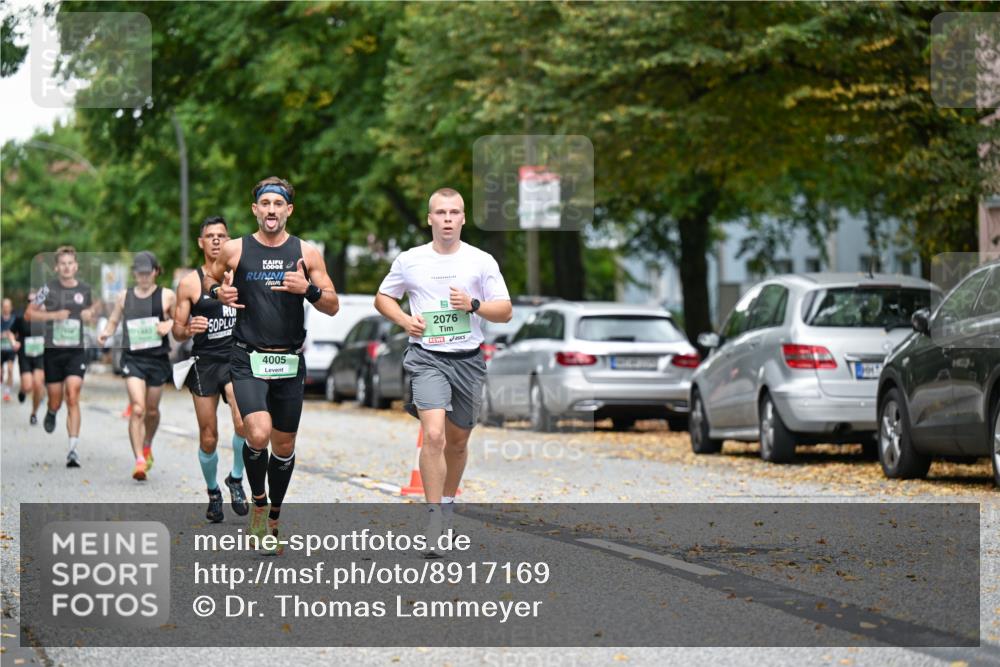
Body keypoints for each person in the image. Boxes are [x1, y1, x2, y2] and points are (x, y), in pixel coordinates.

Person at [204, 176, 339, 553]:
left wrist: (307, 290)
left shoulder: (306, 253)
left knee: (283, 445)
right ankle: (258, 504)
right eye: (265, 204)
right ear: (255, 210)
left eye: (278, 204)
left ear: (288, 210)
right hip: (247, 356)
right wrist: (219, 292)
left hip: (289, 361)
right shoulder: (235, 249)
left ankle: (275, 512)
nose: (271, 210)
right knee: (258, 434)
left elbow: (332, 304)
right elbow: (208, 278)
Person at [375, 187, 512, 557]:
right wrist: (405, 320)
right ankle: (434, 519)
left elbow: (506, 310)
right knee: (433, 435)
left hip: (468, 359)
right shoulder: (410, 260)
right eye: (440, 212)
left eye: (454, 212)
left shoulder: (481, 261)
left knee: (457, 442)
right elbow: (382, 297)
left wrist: (474, 304)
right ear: (429, 218)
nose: (447, 219)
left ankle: (448, 503)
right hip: (426, 357)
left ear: (463, 218)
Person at [173, 216, 248, 522]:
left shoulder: (242, 275)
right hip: (205, 363)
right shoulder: (190, 283)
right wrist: (188, 327)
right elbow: (177, 331)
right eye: (210, 235)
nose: (217, 240)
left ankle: (236, 477)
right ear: (201, 242)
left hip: (236, 358)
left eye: (222, 235)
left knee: (244, 423)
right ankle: (214, 491)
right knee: (208, 437)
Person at [98, 251, 176, 481]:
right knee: (138, 408)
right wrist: (106, 333)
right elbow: (113, 320)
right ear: (134, 273)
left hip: (157, 360)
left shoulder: (167, 296)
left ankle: (147, 444)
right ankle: (139, 461)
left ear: (155, 272)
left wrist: (168, 324)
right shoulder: (124, 296)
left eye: (147, 272)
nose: (143, 277)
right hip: (133, 359)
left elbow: (181, 321)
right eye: (139, 273)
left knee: (151, 411)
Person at [26, 246, 101, 467]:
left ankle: (72, 450)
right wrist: (53, 315)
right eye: (63, 264)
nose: (67, 267)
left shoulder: (85, 290)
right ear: (57, 267)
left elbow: (94, 313)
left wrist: (91, 314)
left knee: (73, 395)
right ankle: (51, 410)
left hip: (76, 351)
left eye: (71, 263)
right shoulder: (47, 289)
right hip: (53, 352)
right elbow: (30, 313)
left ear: (76, 266)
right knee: (57, 399)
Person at [14, 292, 46, 423]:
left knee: (38, 385)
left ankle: (34, 413)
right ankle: (22, 390)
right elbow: (11, 333)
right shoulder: (21, 318)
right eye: (30, 301)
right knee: (28, 387)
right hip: (25, 356)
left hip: (39, 356)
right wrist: (13, 341)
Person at [1, 298, 17, 402]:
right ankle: (2, 384)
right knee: (1, 372)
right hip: (1, 349)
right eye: (4, 306)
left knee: (10, 369)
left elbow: (19, 333)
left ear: (11, 307)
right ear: (2, 308)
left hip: (10, 349)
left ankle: (7, 392)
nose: (6, 308)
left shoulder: (15, 319)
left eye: (8, 306)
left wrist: (12, 336)